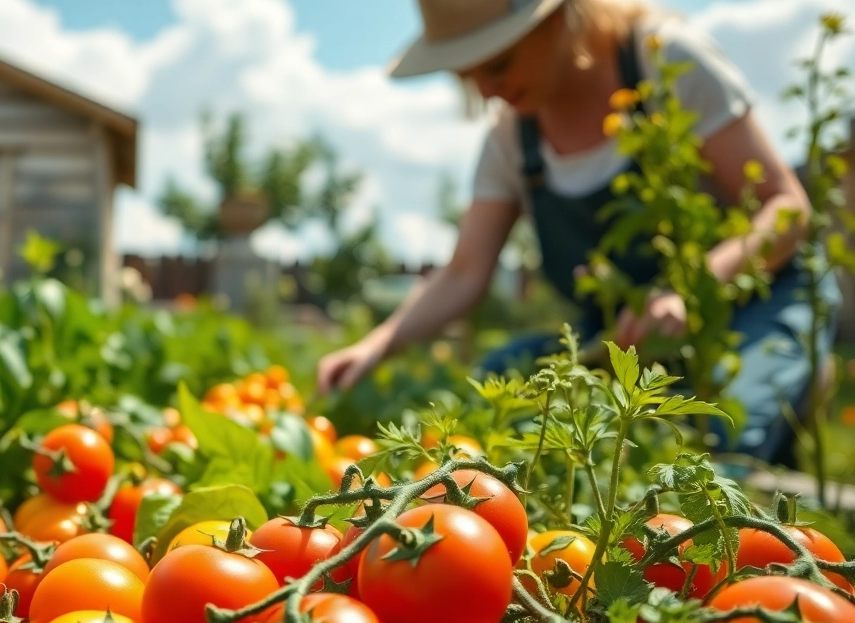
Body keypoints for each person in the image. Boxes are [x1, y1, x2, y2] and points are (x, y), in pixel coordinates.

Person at [316, 0, 842, 463]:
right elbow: (464, 272)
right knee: (501, 383)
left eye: (498, 61)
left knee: (725, 432)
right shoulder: (511, 141)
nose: (486, 89)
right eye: (466, 73)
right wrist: (379, 344)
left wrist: (690, 289)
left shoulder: (664, 61)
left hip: (755, 299)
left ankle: (798, 382)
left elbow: (786, 207)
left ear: (563, 15)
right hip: (625, 338)